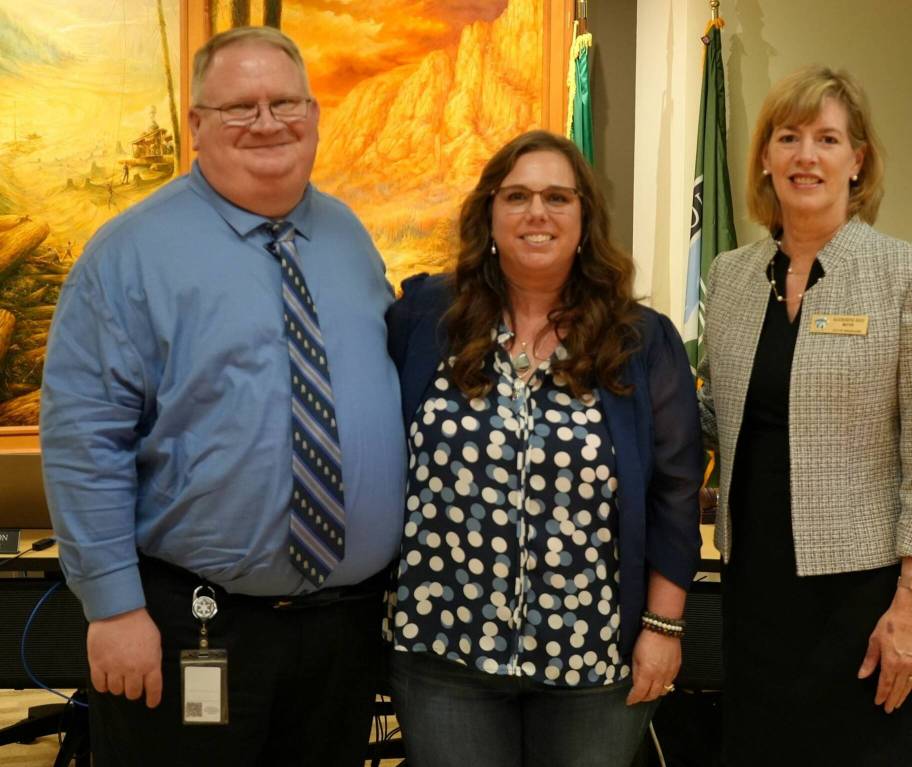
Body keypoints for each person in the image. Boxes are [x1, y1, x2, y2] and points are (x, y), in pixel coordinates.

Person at [40, 26, 405, 766]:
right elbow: (85, 439)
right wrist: (113, 607)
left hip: (343, 629)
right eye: (239, 107)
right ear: (196, 125)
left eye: (284, 102)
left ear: (314, 116)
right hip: (192, 624)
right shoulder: (128, 254)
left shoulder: (347, 236)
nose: (267, 123)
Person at [385, 129, 704, 767]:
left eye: (558, 197)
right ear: (490, 216)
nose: (538, 213)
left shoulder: (642, 342)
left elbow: (675, 489)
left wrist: (664, 628)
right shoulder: (426, 320)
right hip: (445, 648)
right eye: (519, 197)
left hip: (593, 656)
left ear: (584, 219)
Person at [697, 66, 912, 765]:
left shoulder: (910, 275)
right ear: (764, 156)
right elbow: (712, 415)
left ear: (858, 159)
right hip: (754, 588)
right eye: (788, 137)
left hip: (863, 598)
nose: (805, 155)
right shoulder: (729, 276)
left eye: (827, 138)